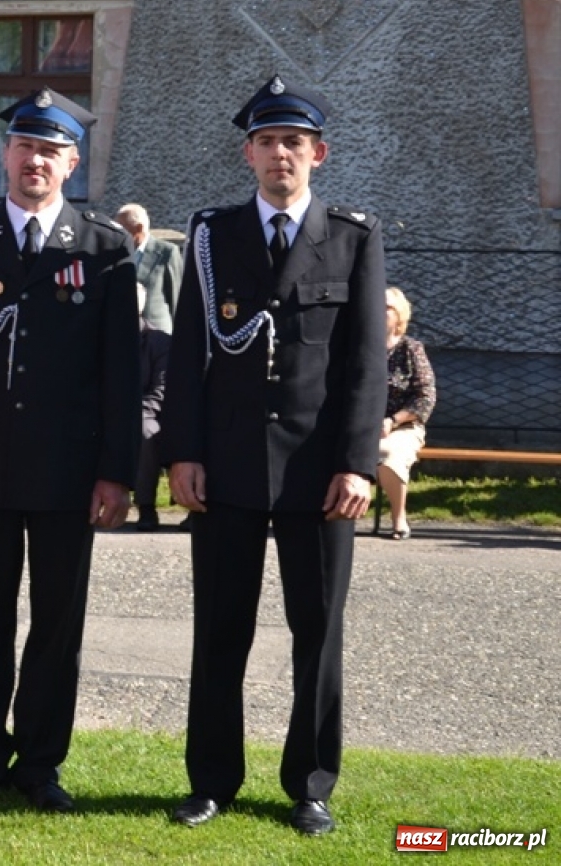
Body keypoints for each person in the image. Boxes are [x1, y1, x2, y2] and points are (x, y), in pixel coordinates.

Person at [162, 76, 387, 837]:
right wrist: (181, 453)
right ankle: (210, 781)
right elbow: (189, 350)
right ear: (246, 154)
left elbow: (363, 366)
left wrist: (357, 464)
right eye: (265, 142)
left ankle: (310, 784)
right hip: (224, 466)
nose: (279, 154)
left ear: (316, 154)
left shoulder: (352, 237)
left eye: (293, 142)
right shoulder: (209, 234)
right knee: (219, 629)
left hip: (319, 473)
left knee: (316, 633)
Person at [0, 89, 140, 810]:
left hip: (66, 471)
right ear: (3, 154)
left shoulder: (104, 249)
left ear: (71, 162)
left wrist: (116, 471)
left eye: (50, 150)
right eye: (23, 146)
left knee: (55, 625)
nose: (34, 160)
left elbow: (120, 373)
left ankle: (40, 763)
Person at [377, 287, 435, 540]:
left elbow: (425, 397)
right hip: (361, 424)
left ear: (399, 316)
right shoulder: (358, 347)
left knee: (387, 454)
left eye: (387, 307)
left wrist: (393, 420)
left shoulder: (410, 349)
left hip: (402, 426)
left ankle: (398, 517)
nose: (380, 311)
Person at [134, 285, 172, 532]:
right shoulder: (100, 336)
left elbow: (160, 391)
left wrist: (130, 413)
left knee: (144, 431)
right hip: (104, 411)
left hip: (146, 412)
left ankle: (146, 507)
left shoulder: (159, 341)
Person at [116, 203, 184, 335]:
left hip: (157, 337)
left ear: (139, 228)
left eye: (122, 229)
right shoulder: (117, 253)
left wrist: (181, 337)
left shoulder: (166, 252)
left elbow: (177, 298)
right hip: (123, 334)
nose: (118, 234)